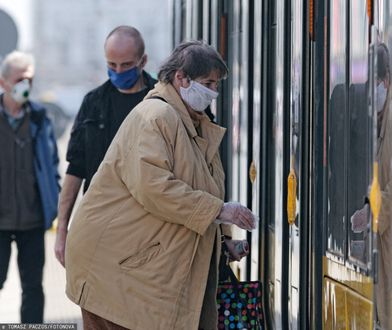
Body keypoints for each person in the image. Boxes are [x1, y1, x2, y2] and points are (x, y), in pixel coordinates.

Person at [64, 40, 256, 330]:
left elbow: (202, 187)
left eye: (216, 85)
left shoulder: (193, 122)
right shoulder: (155, 117)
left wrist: (222, 242)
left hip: (138, 268)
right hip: (116, 270)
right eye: (208, 83)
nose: (213, 92)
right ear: (181, 78)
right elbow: (154, 188)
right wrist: (221, 210)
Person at [54, 25, 157, 266]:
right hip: (100, 223)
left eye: (126, 65)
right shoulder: (93, 103)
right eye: (112, 65)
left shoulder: (160, 101)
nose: (118, 71)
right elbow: (75, 169)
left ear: (143, 61)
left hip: (149, 229)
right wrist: (62, 232)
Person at [0, 51, 60, 323]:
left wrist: (54, 200)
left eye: (30, 80)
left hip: (33, 221)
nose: (27, 85)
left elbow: (52, 165)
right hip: (0, 222)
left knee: (33, 288)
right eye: (21, 80)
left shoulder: (39, 117)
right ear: (4, 83)